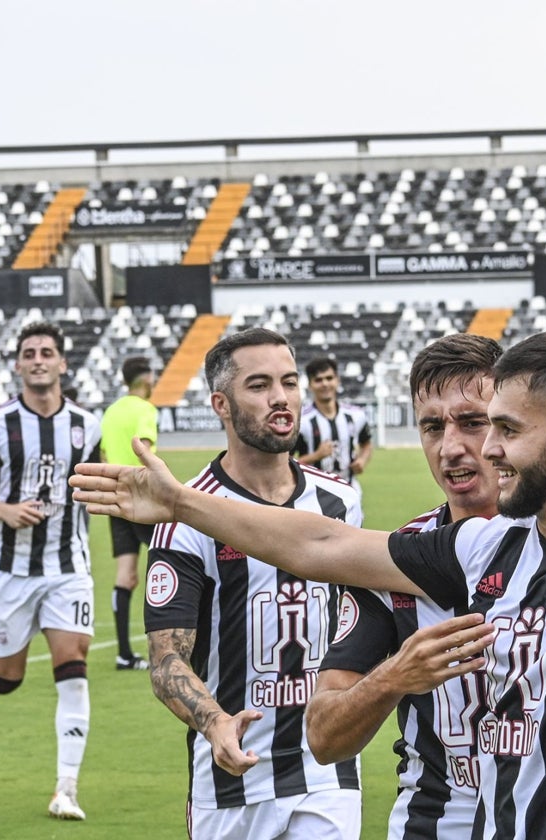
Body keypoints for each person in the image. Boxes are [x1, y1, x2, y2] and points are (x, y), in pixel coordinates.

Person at [72, 324, 546, 840]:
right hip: (444, 819)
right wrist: (183, 502)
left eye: (489, 426)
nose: (466, 450)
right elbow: (318, 548)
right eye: (432, 427)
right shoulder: (455, 551)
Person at [306, 332, 546, 837]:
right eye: (431, 427)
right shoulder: (394, 563)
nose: (452, 448)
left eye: (474, 422)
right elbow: (324, 736)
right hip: (437, 821)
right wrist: (395, 675)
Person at [141, 327, 363, 839]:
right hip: (230, 779)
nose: (281, 398)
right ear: (221, 403)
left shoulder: (340, 502)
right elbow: (165, 660)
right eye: (259, 385)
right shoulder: (185, 515)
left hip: (325, 767)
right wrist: (214, 721)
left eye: (289, 382)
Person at [0, 321, 101, 821]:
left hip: (69, 565)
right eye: (30, 353)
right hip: (11, 567)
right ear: (18, 365)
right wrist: (3, 510)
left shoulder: (86, 425)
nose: (39, 359)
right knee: (8, 679)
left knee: (74, 667)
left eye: (48, 352)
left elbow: (92, 480)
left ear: (62, 364)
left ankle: (66, 788)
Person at [99, 355, 159, 671]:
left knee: (127, 575)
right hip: (140, 499)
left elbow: (105, 454)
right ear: (146, 378)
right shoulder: (145, 409)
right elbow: (144, 452)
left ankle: (124, 653)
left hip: (114, 498)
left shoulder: (110, 412)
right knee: (172, 561)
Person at [295, 357, 373, 492]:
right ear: (310, 384)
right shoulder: (301, 421)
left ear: (338, 380)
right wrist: (316, 456)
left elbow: (366, 443)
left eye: (329, 378)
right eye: (318, 380)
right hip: (313, 493)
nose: (325, 384)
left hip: (350, 490)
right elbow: (286, 463)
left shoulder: (355, 415)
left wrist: (362, 460)